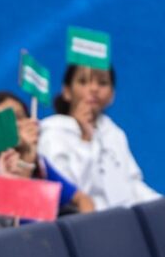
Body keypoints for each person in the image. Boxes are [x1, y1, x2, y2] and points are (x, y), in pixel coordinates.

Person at [38, 64, 158, 209]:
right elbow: (66, 194)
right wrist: (85, 142)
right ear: (67, 91)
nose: (94, 88)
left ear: (112, 95)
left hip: (122, 217)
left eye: (102, 83)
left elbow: (132, 184)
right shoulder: (53, 132)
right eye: (83, 81)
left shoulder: (114, 133)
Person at [0, 91, 94, 218]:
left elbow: (82, 199)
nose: (18, 124)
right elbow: (29, 218)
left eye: (21, 117)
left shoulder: (41, 163)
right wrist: (27, 161)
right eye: (7, 119)